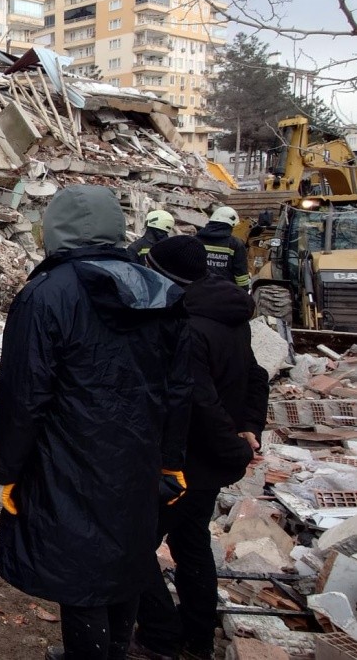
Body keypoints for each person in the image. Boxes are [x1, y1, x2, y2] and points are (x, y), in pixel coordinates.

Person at [0, 184, 192, 660]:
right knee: (126, 561)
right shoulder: (159, 290)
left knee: (79, 573)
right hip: (136, 459)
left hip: (67, 460)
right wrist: (170, 461)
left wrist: (7, 470)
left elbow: (23, 395)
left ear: (53, 232)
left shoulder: (45, 296)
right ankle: (110, 652)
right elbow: (179, 391)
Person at [134, 237, 269, 660]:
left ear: (165, 276)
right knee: (190, 544)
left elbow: (198, 399)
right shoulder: (229, 315)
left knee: (133, 547)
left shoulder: (187, 325)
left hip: (185, 460)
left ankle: (161, 637)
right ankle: (197, 637)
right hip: (210, 462)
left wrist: (233, 443)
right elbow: (256, 376)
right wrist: (248, 427)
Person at [196, 206, 249, 288]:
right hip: (225, 292)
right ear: (231, 224)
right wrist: (244, 293)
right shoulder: (235, 244)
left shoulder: (195, 239)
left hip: (197, 289)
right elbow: (241, 275)